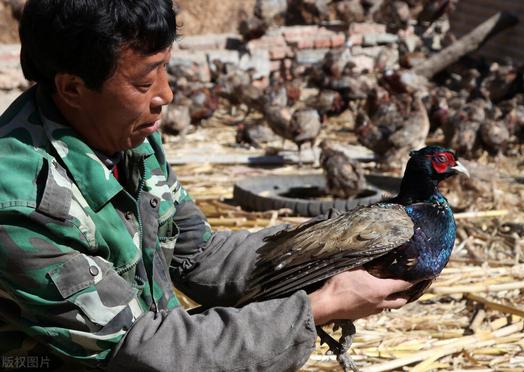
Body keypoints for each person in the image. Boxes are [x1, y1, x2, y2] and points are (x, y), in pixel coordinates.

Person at [0, 1, 413, 371]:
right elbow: (144, 350)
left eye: (166, 68)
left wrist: (333, 250)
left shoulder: (125, 136)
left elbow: (198, 254)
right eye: (144, 83)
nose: (167, 94)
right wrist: (319, 307)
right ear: (73, 88)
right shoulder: (23, 204)